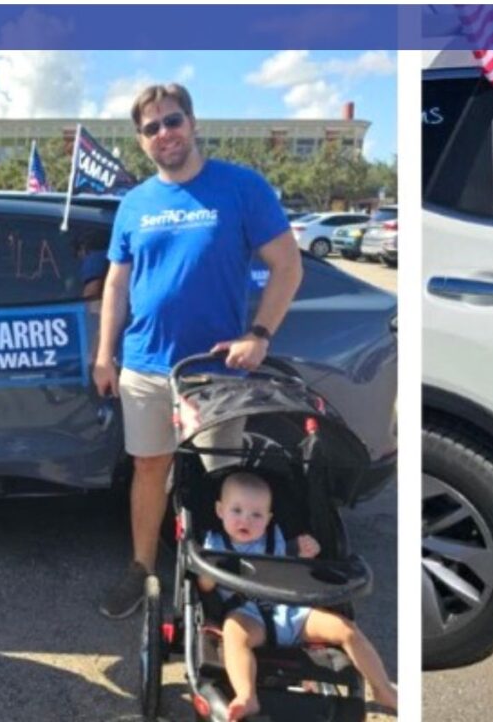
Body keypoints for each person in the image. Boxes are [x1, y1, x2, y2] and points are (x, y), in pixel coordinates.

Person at [92, 85, 304, 620]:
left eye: (172, 120)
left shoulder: (240, 187)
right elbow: (117, 285)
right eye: (152, 127)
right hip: (144, 367)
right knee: (148, 470)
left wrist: (259, 334)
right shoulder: (135, 203)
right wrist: (104, 355)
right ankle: (141, 570)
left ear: (192, 121)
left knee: (219, 479)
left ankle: (216, 584)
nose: (165, 133)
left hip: (216, 375)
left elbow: (287, 264)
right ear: (140, 140)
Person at [201, 470, 397, 718]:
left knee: (345, 629)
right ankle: (246, 694)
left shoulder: (276, 539)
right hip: (248, 614)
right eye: (236, 511)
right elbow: (205, 587)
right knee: (233, 634)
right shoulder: (214, 543)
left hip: (292, 609)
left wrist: (304, 552)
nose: (246, 521)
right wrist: (209, 573)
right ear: (220, 510)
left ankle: (383, 689)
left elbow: (297, 567)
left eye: (256, 515)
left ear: (269, 518)